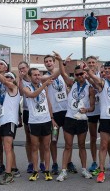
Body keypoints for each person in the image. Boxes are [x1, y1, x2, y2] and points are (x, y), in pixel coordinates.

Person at [55, 52, 95, 182]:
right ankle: (64, 170)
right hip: (70, 118)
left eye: (82, 74)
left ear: (85, 73)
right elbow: (62, 72)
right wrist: (61, 61)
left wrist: (86, 109)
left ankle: (84, 169)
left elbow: (93, 107)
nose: (79, 76)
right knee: (68, 146)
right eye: (77, 74)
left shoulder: (90, 88)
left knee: (82, 145)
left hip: (82, 119)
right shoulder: (72, 83)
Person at [22, 68, 55, 181]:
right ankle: (35, 170)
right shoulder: (27, 88)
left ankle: (46, 170)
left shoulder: (44, 87)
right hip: (34, 121)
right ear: (30, 77)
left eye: (38, 75)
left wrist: (52, 118)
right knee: (35, 147)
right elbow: (33, 95)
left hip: (46, 120)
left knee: (46, 146)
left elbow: (48, 103)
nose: (37, 77)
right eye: (35, 75)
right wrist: (44, 84)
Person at [41, 54, 69, 175]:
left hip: (66, 112)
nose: (48, 63)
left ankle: (68, 162)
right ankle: (55, 163)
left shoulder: (62, 74)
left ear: (53, 62)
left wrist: (62, 65)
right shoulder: (45, 77)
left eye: (50, 61)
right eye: (46, 62)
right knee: (54, 139)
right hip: (55, 114)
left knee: (69, 141)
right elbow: (54, 76)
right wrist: (62, 63)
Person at [0, 71, 21, 185]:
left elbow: (3, 81)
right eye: (6, 77)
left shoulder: (14, 87)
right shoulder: (6, 92)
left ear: (14, 79)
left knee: (8, 148)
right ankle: (13, 169)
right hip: (4, 120)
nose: (7, 78)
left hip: (10, 121)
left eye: (10, 77)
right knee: (8, 148)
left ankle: (8, 174)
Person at [18, 61, 46, 173]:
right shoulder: (22, 81)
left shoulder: (38, 78)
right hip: (27, 111)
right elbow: (20, 93)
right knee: (29, 139)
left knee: (42, 139)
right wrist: (19, 79)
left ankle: (43, 162)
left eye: (23, 68)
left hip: (40, 111)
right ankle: (31, 163)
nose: (22, 70)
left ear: (28, 68)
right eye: (20, 69)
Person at [85, 56, 101, 172]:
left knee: (107, 139)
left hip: (103, 110)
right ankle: (94, 161)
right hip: (91, 111)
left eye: (93, 62)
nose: (91, 64)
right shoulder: (83, 76)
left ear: (97, 64)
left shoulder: (102, 75)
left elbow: (98, 86)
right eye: (89, 62)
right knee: (93, 137)